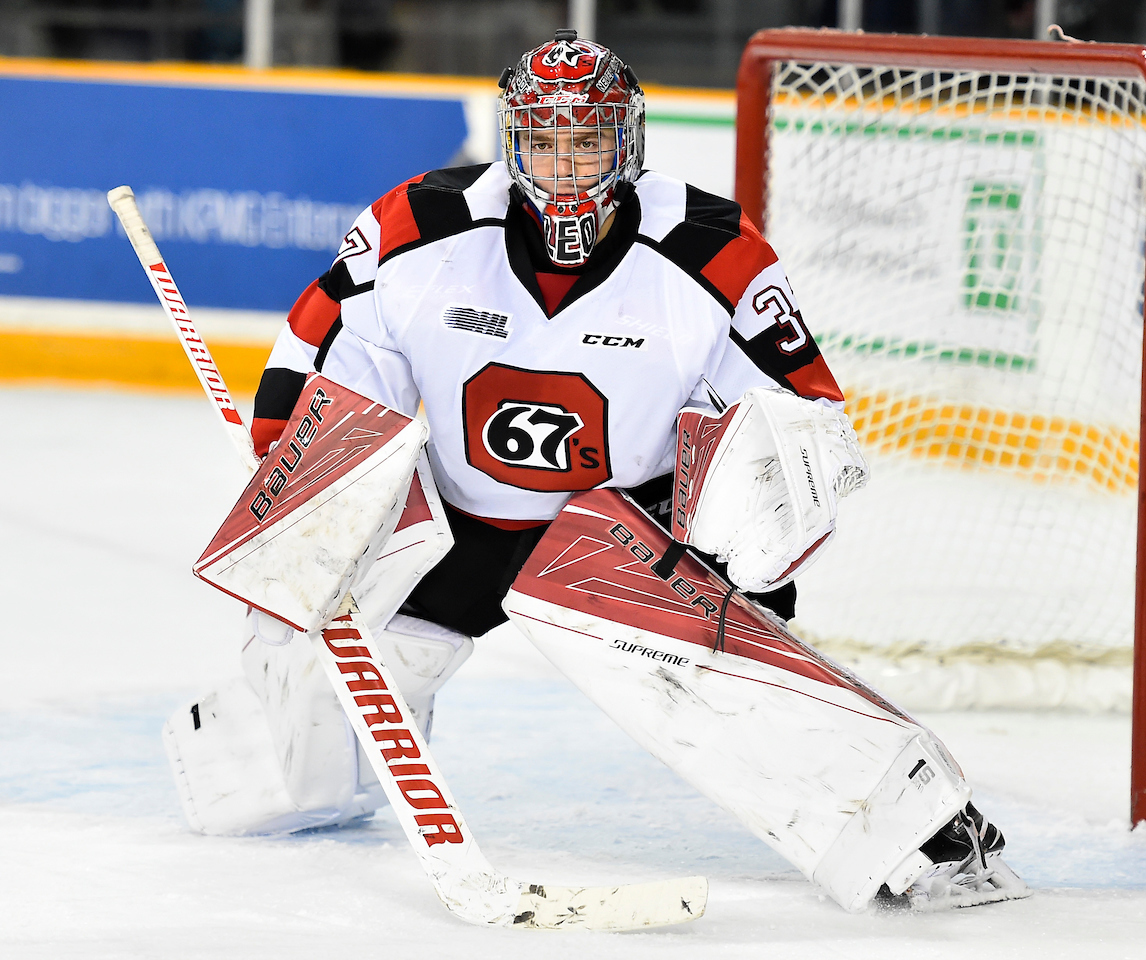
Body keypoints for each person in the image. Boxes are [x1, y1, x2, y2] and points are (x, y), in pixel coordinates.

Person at [164, 30, 1025, 912]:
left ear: (629, 143)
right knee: (291, 723)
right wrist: (296, 481)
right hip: (456, 521)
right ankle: (303, 783)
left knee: (725, 690)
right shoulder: (418, 228)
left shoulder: (708, 250)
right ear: (512, 141)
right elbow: (326, 356)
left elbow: (799, 411)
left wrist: (744, 557)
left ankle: (925, 832)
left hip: (620, 528)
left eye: (586, 141)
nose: (564, 163)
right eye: (542, 140)